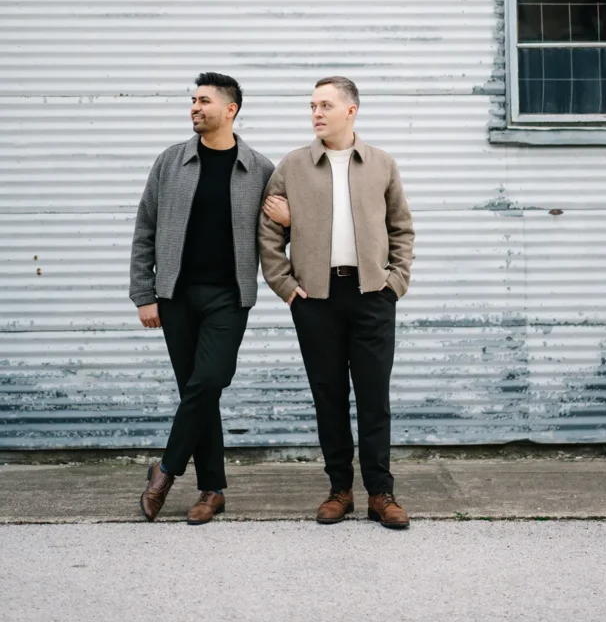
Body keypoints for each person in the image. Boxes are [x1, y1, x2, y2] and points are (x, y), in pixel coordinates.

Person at [259, 76, 414, 529]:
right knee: (328, 396)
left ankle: (381, 493)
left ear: (352, 110)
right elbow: (270, 235)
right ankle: (339, 490)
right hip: (316, 299)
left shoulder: (382, 164)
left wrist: (396, 282)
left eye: (325, 105)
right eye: (312, 106)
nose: (316, 114)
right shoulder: (293, 166)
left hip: (372, 296)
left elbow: (401, 228)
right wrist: (286, 287)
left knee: (373, 398)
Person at [129, 72, 274, 524]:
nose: (194, 107)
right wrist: (144, 295)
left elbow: (277, 234)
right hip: (175, 297)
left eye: (204, 100)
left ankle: (165, 471)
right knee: (196, 390)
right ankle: (212, 491)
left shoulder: (260, 169)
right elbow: (145, 230)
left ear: (230, 109)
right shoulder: (170, 162)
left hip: (230, 298)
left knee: (208, 380)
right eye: (192, 100)